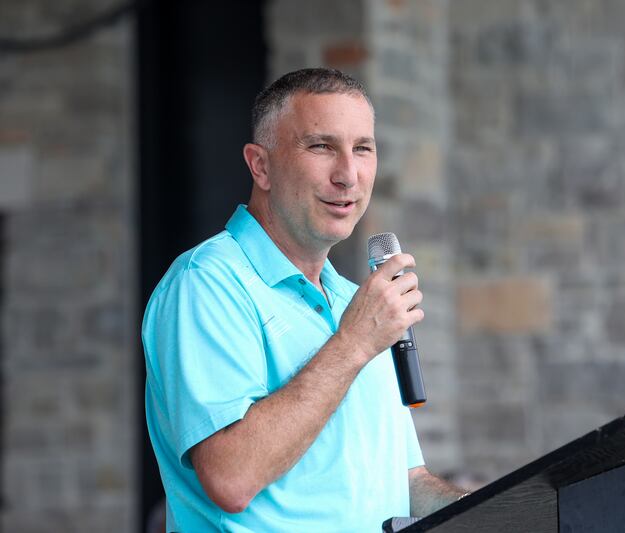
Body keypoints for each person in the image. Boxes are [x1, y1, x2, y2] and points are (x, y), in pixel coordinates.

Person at [142, 68, 467, 532]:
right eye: (321, 146)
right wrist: (354, 344)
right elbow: (231, 478)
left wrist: (502, 510)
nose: (348, 175)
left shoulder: (356, 303)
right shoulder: (206, 283)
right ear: (261, 166)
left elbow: (403, 481)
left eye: (363, 148)